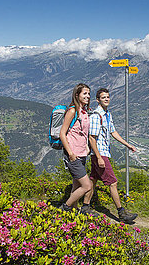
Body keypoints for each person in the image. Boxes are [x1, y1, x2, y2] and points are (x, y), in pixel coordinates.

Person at [84, 88, 138, 222]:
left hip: (102, 153)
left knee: (93, 180)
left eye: (108, 97)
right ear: (98, 100)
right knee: (113, 183)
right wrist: (98, 157)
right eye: (103, 97)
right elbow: (92, 138)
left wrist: (127, 145)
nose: (107, 99)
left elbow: (113, 132)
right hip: (100, 154)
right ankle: (121, 213)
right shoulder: (97, 116)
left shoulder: (107, 114)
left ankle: (85, 207)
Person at [58, 83, 95, 214]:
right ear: (77, 95)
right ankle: (64, 208)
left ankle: (72, 213)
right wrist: (70, 153)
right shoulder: (72, 111)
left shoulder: (84, 112)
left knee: (76, 185)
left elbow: (83, 133)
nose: (88, 96)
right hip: (73, 154)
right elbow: (62, 133)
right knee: (87, 185)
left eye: (89, 94)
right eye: (84, 93)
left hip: (82, 154)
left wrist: (86, 148)